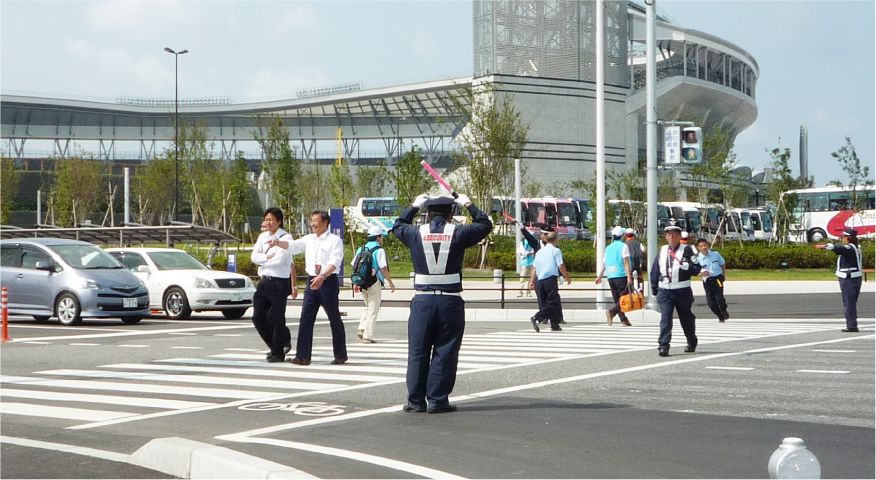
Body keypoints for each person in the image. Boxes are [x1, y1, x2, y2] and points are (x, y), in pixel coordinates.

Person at [393, 192, 492, 414]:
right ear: (452, 213)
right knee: (445, 351)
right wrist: (468, 203)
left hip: (422, 301)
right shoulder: (459, 232)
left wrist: (413, 205)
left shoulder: (415, 232)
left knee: (418, 352)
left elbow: (397, 225)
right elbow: (485, 224)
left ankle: (416, 401)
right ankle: (437, 400)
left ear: (427, 213)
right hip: (450, 301)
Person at [281, 210, 347, 366]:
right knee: (305, 318)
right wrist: (278, 243)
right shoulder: (309, 239)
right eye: (311, 220)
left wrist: (322, 276)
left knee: (334, 318)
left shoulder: (334, 240)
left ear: (325, 222)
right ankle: (302, 356)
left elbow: (335, 261)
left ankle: (340, 355)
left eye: (315, 221)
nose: (312, 224)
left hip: (327, 281)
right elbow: (294, 246)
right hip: (311, 282)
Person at [649, 220, 702, 357]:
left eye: (675, 233)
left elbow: (697, 269)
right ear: (666, 236)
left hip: (682, 291)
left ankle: (691, 341)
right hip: (665, 290)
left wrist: (687, 267)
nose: (672, 236)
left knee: (686, 318)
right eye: (669, 233)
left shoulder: (688, 250)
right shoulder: (662, 250)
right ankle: (663, 345)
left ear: (680, 236)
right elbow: (655, 271)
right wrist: (654, 289)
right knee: (666, 318)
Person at [250, 207, 296, 363]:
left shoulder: (286, 238)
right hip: (264, 281)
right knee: (258, 317)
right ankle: (279, 343)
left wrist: (264, 259)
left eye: (271, 220)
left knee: (275, 318)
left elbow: (279, 261)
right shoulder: (263, 236)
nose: (268, 222)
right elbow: (253, 256)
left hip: (279, 283)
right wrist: (265, 257)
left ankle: (278, 353)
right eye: (266, 219)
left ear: (279, 221)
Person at [353, 225, 396, 343]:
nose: (382, 239)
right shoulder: (379, 250)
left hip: (362, 282)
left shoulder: (361, 249)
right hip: (374, 282)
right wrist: (390, 282)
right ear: (378, 237)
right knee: (373, 309)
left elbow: (354, 265)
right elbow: (383, 268)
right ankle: (368, 335)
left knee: (367, 307)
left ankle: (362, 328)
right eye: (381, 236)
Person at [816, 227, 863, 332]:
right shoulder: (856, 247)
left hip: (849, 278)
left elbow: (841, 249)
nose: (842, 239)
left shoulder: (850, 248)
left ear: (848, 238)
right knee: (850, 303)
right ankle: (851, 324)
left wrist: (832, 247)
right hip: (854, 278)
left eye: (844, 237)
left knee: (849, 303)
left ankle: (851, 326)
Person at [529, 232, 572, 332]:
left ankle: (554, 324)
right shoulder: (556, 251)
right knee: (552, 302)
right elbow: (560, 266)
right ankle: (537, 318)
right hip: (550, 279)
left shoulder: (539, 252)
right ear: (555, 240)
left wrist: (532, 281)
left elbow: (534, 268)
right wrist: (567, 277)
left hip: (539, 280)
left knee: (547, 303)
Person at [595, 226, 633, 327]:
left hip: (610, 276)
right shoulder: (623, 246)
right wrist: (629, 276)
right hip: (621, 275)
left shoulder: (608, 248)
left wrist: (600, 276)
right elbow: (626, 262)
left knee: (617, 299)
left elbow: (605, 263)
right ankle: (612, 312)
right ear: (622, 236)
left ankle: (624, 320)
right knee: (625, 298)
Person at [696, 238, 729, 323]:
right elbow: (695, 271)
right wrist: (701, 274)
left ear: (708, 245)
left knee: (720, 298)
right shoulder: (697, 258)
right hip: (707, 281)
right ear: (698, 248)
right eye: (701, 246)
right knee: (711, 302)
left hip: (717, 279)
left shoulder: (715, 254)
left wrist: (723, 274)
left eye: (705, 245)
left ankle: (724, 309)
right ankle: (719, 316)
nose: (704, 247)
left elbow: (722, 264)